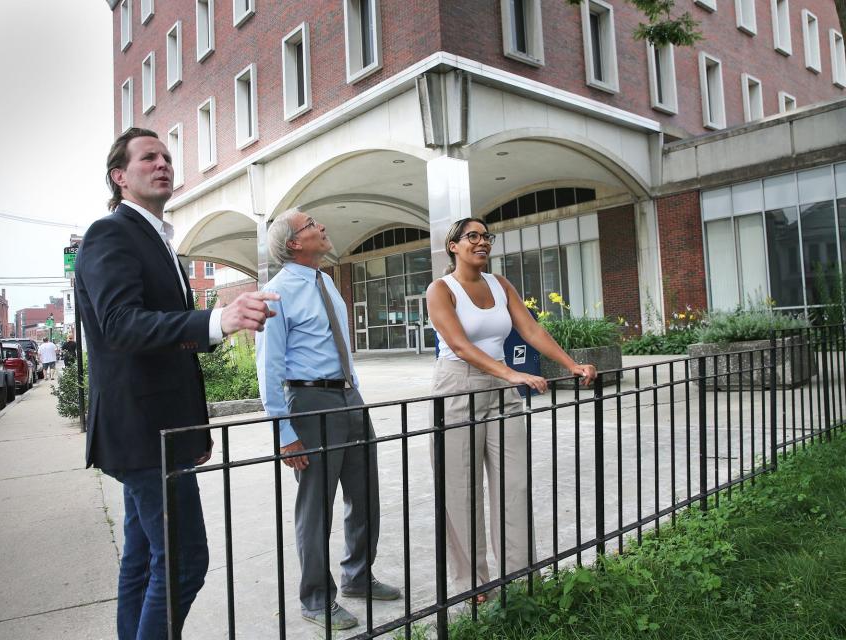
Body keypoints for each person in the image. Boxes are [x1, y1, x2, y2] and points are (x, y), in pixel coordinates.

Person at [75, 127, 279, 640]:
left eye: (167, 156)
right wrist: (216, 320)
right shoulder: (110, 233)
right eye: (149, 157)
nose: (163, 163)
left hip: (162, 429)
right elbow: (121, 325)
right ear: (120, 177)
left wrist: (194, 431)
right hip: (142, 433)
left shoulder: (160, 241)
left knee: (143, 560)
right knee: (186, 561)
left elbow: (166, 348)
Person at [426, 217, 597, 600]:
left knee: (513, 482)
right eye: (472, 236)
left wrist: (570, 364)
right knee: (460, 488)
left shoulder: (501, 285)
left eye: (486, 236)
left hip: (503, 388)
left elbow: (532, 331)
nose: (482, 242)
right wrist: (511, 373)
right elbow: (459, 345)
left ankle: (519, 574)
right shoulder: (441, 289)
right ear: (453, 245)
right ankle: (472, 583)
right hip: (458, 387)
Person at [256, 209, 401, 631]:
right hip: (310, 402)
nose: (321, 227)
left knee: (366, 495)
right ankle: (317, 598)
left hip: (349, 398)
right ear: (294, 243)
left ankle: (357, 576)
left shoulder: (326, 283)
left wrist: (354, 391)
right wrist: (283, 432)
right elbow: (269, 367)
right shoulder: (277, 293)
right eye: (311, 224)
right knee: (316, 507)